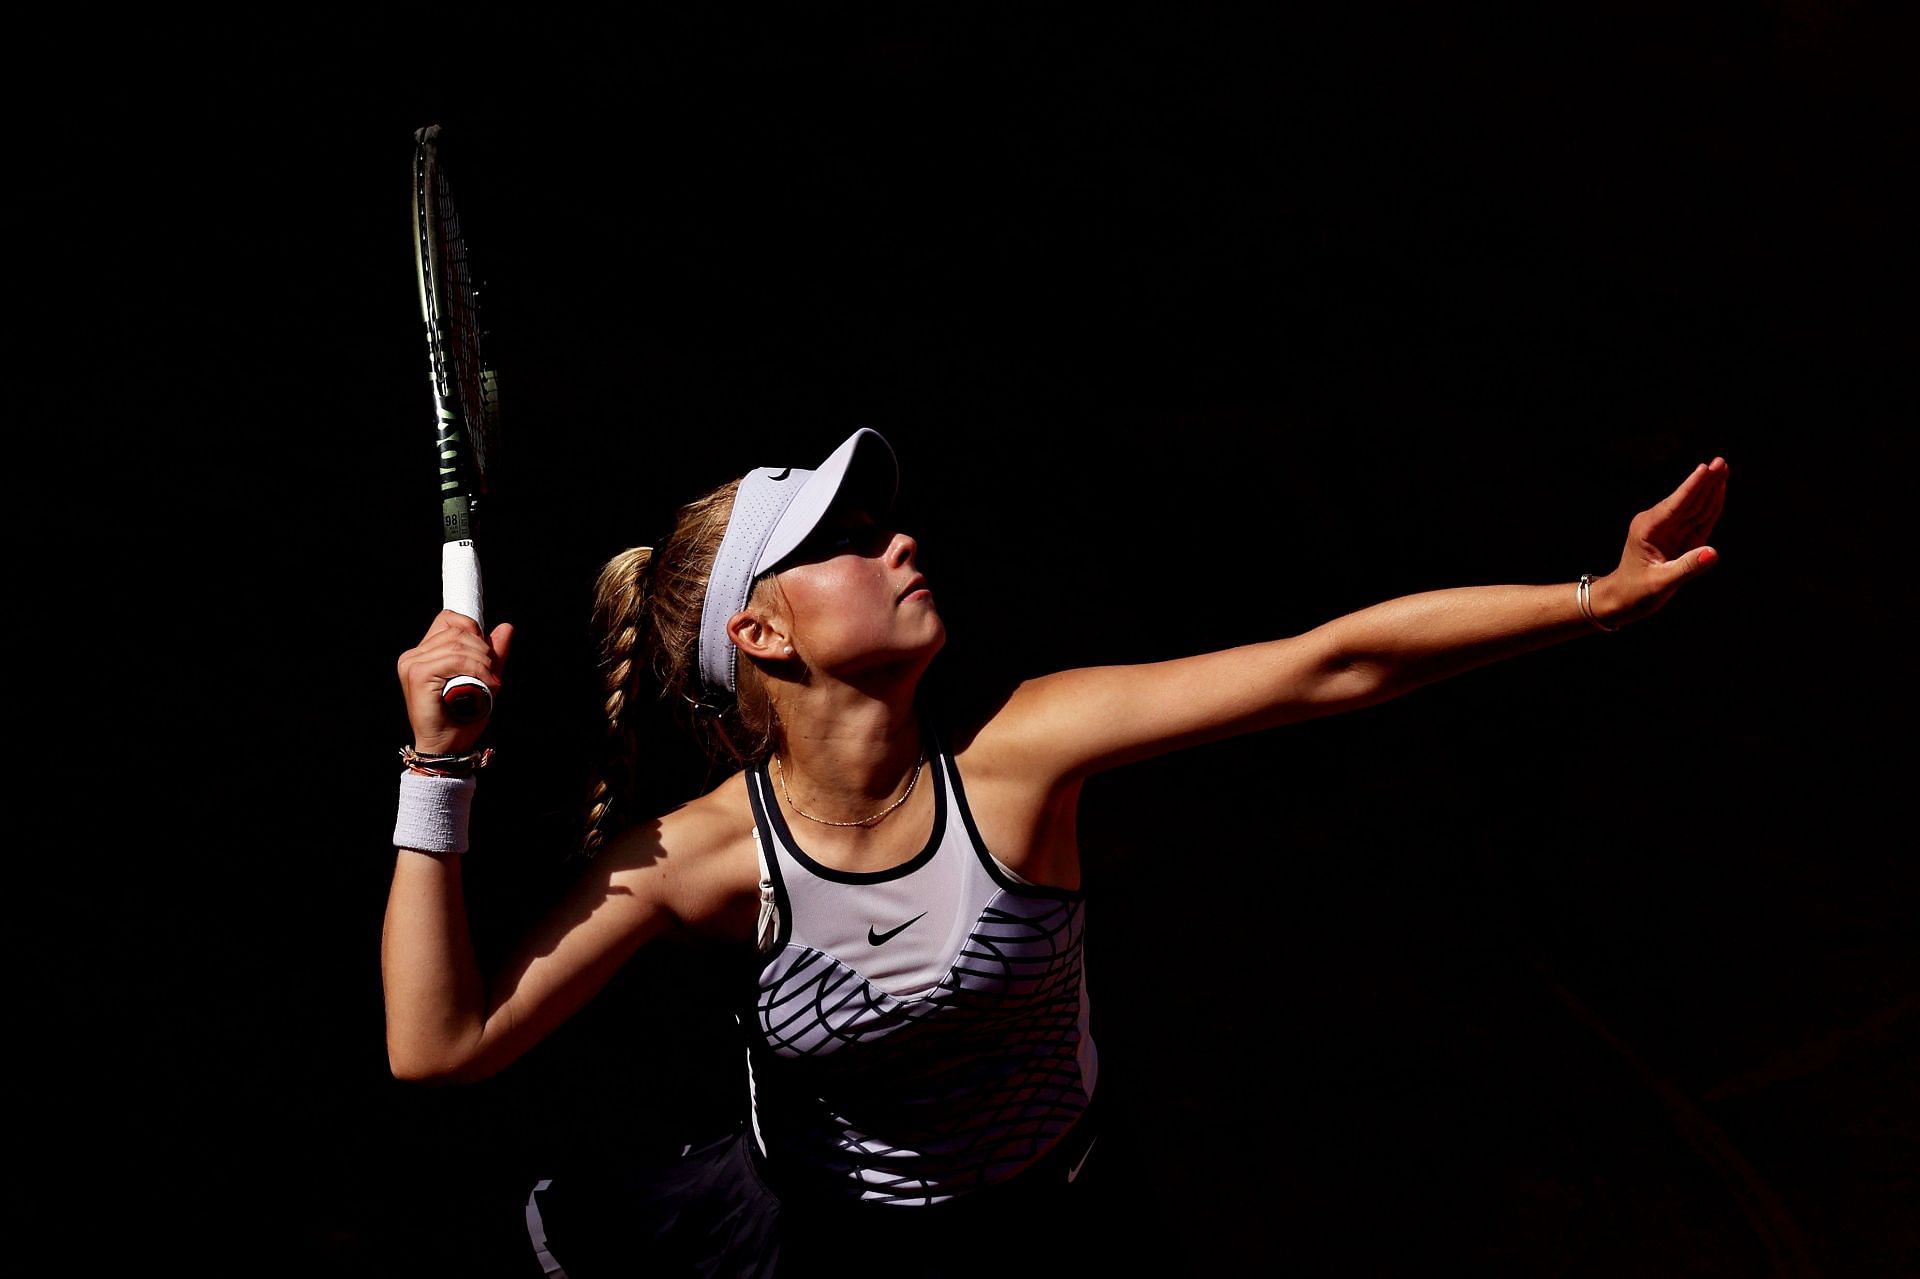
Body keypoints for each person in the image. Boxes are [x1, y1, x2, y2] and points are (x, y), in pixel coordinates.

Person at [382, 430, 1729, 1275]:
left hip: (1072, 1214)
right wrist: (439, 773)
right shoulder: (698, 859)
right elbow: (440, 1044)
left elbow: (1338, 661)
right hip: (840, 1251)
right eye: (842, 548)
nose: (898, 542)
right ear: (765, 637)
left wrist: (1592, 601)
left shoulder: (1028, 756)